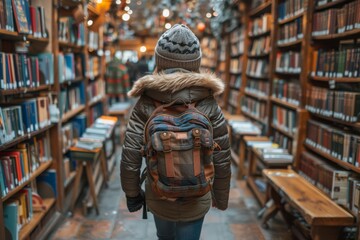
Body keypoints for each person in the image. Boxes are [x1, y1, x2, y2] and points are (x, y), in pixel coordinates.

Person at [120, 24, 231, 240]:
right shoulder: (208, 102)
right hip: (198, 195)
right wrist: (221, 196)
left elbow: (130, 155)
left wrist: (132, 194)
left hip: (159, 192)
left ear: (159, 61)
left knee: (164, 237)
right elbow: (222, 155)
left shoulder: (146, 101)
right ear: (196, 63)